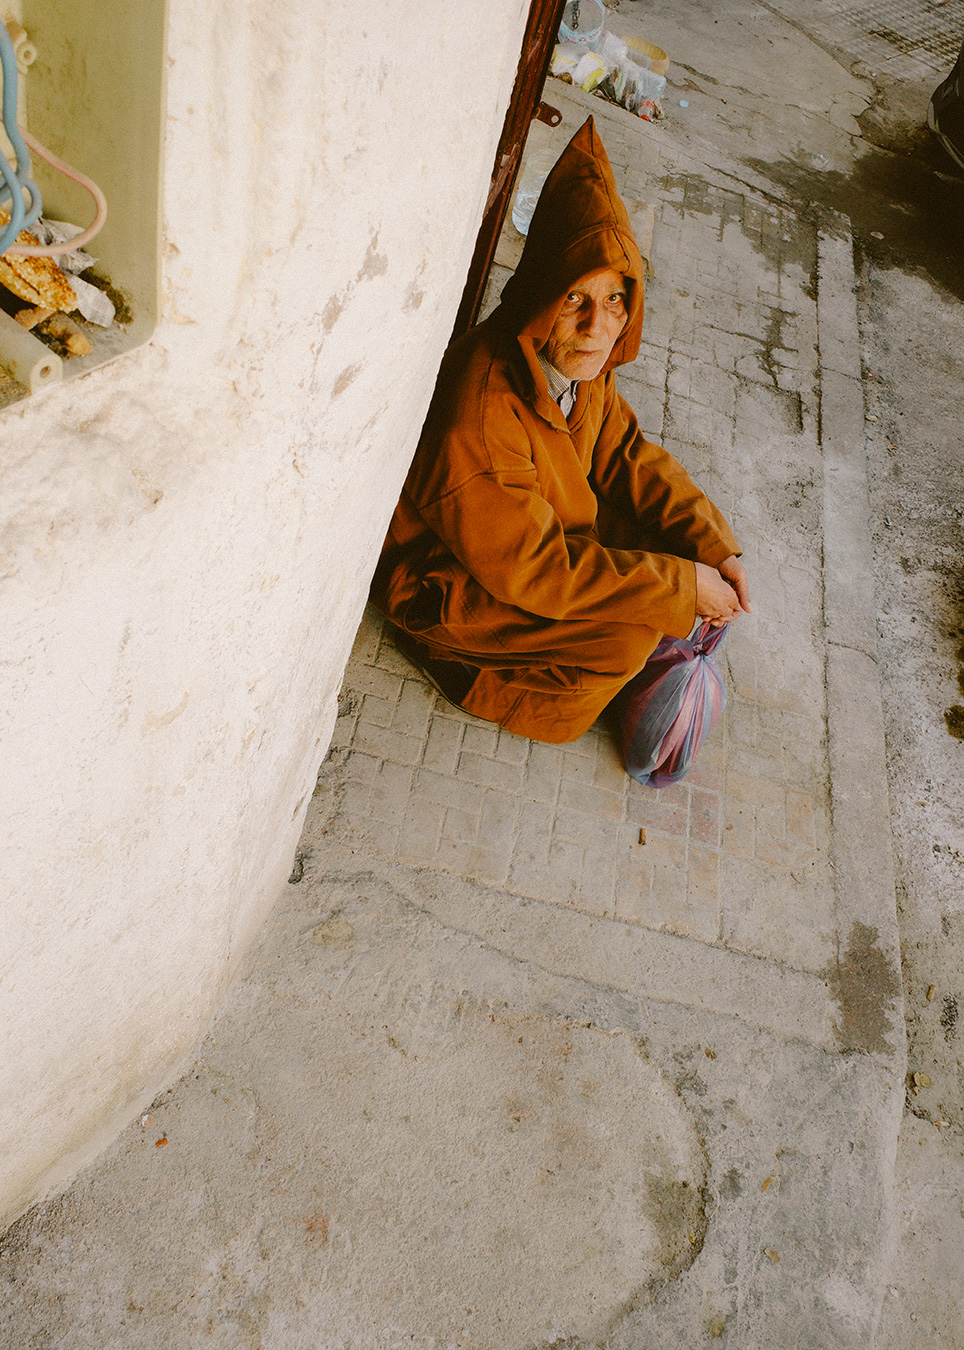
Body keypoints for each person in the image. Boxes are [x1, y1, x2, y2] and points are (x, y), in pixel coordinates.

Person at [370, 117, 750, 746]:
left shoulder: (576, 361)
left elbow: (626, 452)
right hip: (447, 583)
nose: (598, 326)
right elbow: (537, 567)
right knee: (629, 630)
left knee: (663, 560)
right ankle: (474, 676)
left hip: (529, 545)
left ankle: (569, 655)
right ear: (545, 296)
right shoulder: (485, 408)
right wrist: (678, 590)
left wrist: (714, 551)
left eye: (616, 301)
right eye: (576, 299)